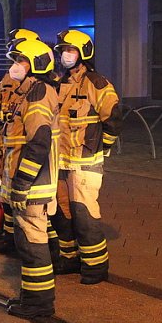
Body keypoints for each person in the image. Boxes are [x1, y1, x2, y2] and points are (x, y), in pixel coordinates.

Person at [53, 29, 122, 285]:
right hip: (61, 163)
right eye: (62, 51)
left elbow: (113, 118)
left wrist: (101, 149)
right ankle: (69, 258)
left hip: (85, 163)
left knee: (84, 215)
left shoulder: (96, 83)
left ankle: (96, 266)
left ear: (83, 54)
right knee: (63, 214)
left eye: (70, 51)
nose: (65, 56)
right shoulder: (61, 84)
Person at [1, 38, 60, 318]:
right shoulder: (29, 92)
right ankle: (32, 298)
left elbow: (38, 142)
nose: (15, 67)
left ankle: (39, 304)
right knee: (28, 242)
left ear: (35, 64)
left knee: (33, 243)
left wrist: (22, 183)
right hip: (31, 182)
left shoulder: (38, 94)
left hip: (34, 185)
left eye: (21, 61)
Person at [0, 28, 39, 255]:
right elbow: (0, 111)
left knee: (28, 203)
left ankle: (32, 244)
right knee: (6, 195)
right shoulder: (9, 78)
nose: (15, 61)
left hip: (25, 150)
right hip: (7, 146)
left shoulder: (39, 85)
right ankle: (10, 240)